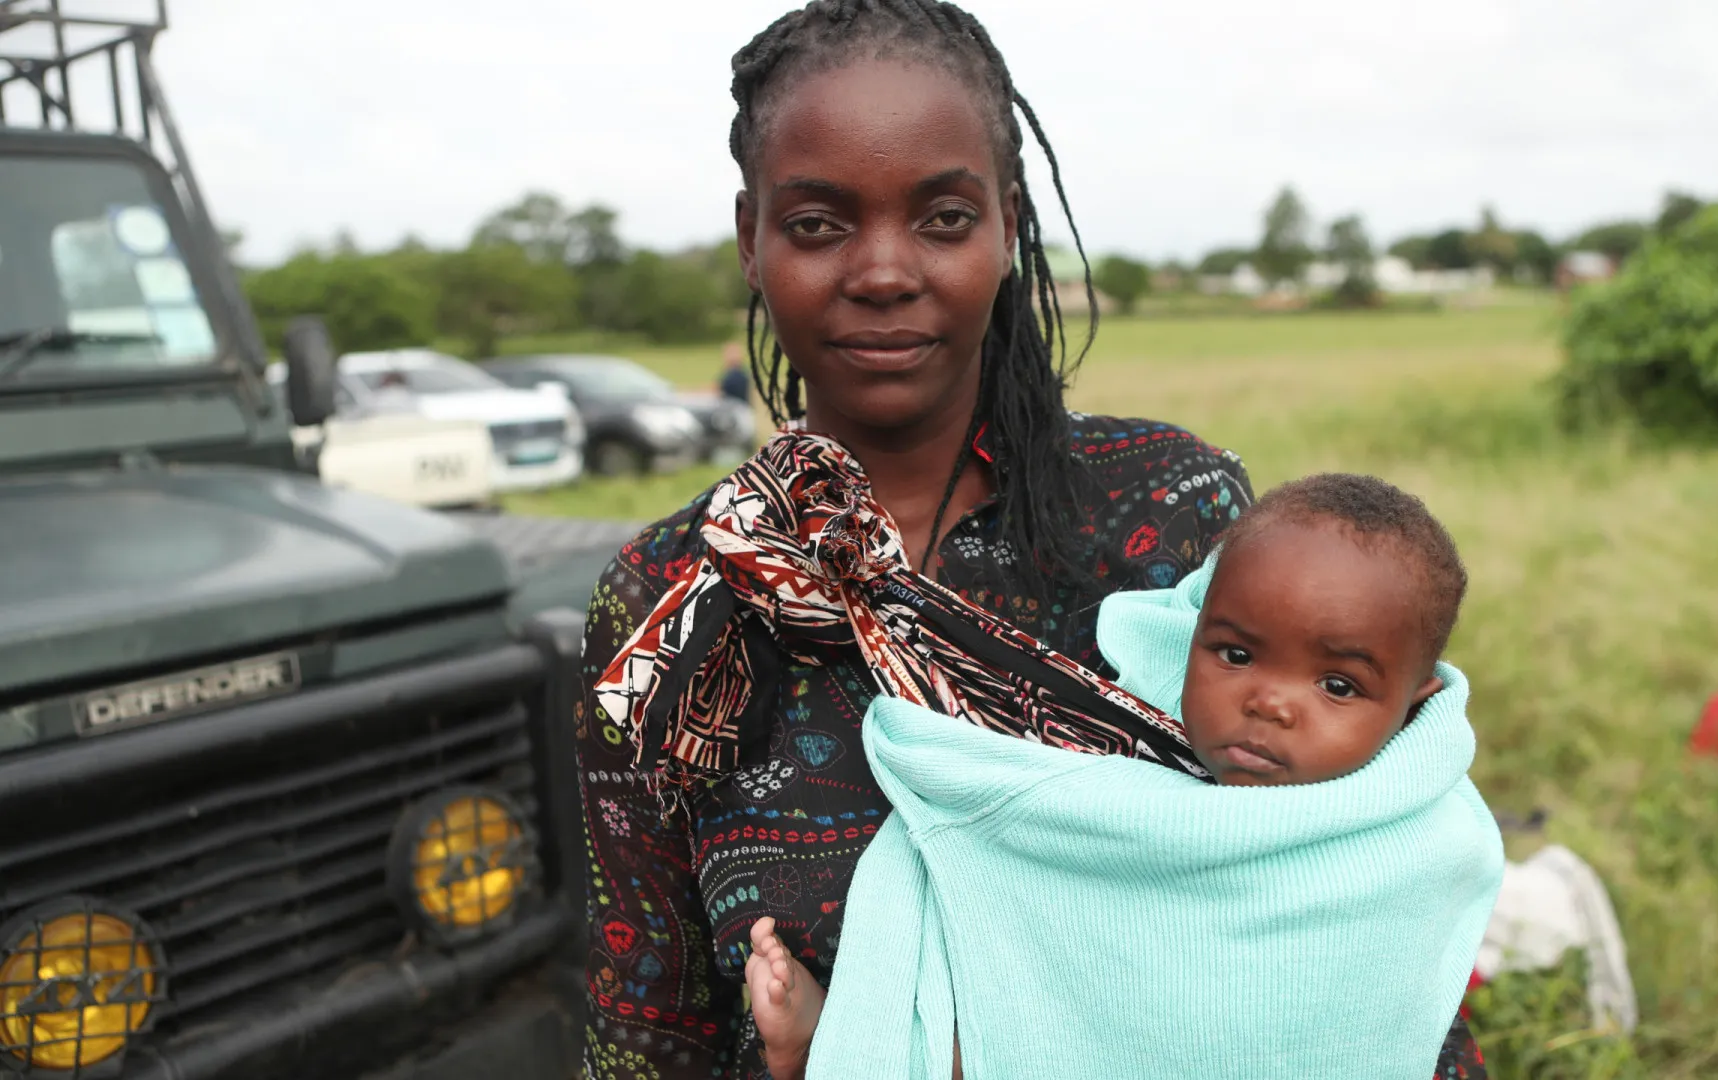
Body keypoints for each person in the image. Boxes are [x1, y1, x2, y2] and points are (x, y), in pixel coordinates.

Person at [574, 3, 1490, 1078]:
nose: (881, 271)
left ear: (1008, 225)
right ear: (751, 239)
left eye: (943, 218)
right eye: (819, 223)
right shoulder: (664, 604)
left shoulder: (1171, 515)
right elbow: (647, 1021)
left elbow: (1351, 902)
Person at [741, 473, 1504, 1078]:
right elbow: (1042, 834)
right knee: (1004, 1022)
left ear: (1413, 705)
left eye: (1338, 686)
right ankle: (841, 1047)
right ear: (1193, 635)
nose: (1268, 702)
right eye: (1235, 655)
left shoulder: (1426, 837)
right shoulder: (1117, 759)